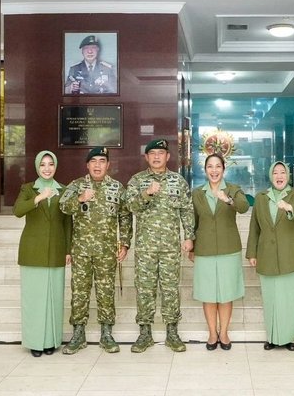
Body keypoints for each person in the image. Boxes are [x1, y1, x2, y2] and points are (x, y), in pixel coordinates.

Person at [60, 147, 132, 354]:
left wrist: (125, 243)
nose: (98, 165)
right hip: (81, 250)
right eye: (94, 161)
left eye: (102, 161)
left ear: (108, 165)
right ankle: (78, 334)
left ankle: (107, 334)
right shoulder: (76, 186)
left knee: (106, 292)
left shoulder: (117, 188)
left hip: (106, 251)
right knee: (79, 293)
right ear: (87, 165)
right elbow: (63, 207)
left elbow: (125, 217)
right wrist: (80, 198)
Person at [126, 139, 195, 353]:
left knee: (170, 290)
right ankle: (144, 333)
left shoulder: (178, 181)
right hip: (145, 248)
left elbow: (187, 209)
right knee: (145, 290)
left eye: (161, 153)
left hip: (170, 248)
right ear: (146, 157)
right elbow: (130, 206)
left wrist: (189, 236)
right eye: (152, 153)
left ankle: (172, 333)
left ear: (168, 156)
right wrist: (146, 193)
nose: (157, 157)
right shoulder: (137, 181)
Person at [246, 161, 294, 351]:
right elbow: (254, 227)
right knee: (271, 299)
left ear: (288, 175)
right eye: (275, 172)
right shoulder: (261, 197)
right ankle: (273, 337)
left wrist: (290, 208)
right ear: (270, 176)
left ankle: (290, 337)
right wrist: (252, 252)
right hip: (267, 255)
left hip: (291, 255)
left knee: (291, 299)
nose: (279, 176)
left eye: (282, 172)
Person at [13, 150, 72, 357]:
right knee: (35, 299)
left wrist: (67, 249)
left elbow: (67, 222)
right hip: (32, 252)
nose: (47, 168)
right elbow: (18, 210)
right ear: (37, 167)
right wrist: (39, 197)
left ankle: (51, 341)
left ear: (55, 167)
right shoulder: (28, 188)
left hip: (56, 251)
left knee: (54, 299)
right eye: (43, 165)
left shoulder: (63, 190)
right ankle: (35, 342)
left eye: (51, 164)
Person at [190, 153, 249, 350]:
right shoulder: (197, 193)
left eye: (217, 166)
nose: (214, 170)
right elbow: (194, 222)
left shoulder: (233, 189)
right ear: (205, 170)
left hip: (228, 249)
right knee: (208, 294)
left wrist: (228, 199)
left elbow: (244, 206)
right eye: (210, 167)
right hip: (205, 249)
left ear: (224, 169)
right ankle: (212, 333)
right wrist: (192, 243)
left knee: (226, 294)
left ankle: (224, 333)